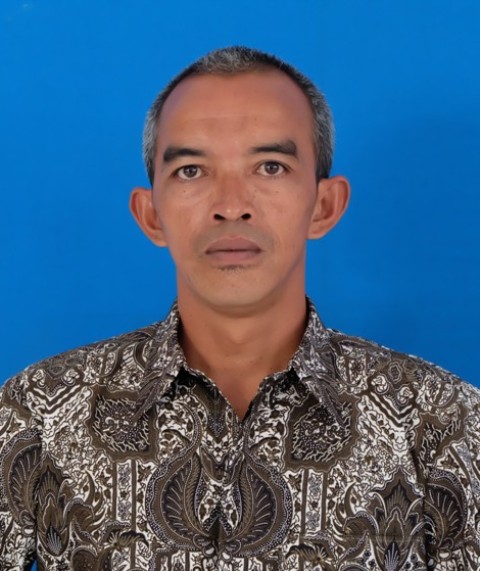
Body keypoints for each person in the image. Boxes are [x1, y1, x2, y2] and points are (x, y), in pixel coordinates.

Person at [0, 46, 479, 570]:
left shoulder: (445, 423)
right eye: (191, 171)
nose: (231, 205)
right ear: (151, 214)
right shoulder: (37, 412)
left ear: (324, 206)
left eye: (270, 166)